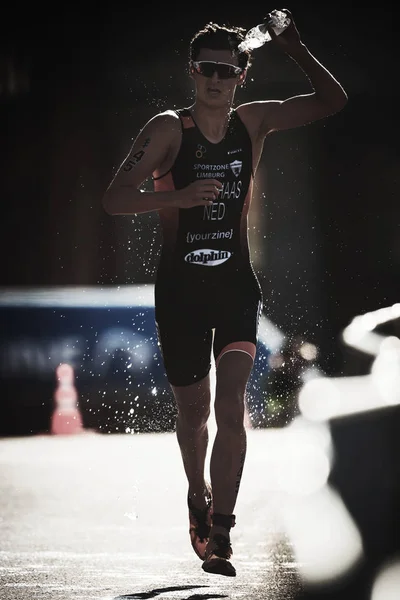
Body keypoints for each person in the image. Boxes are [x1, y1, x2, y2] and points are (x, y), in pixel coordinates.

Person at [102, 8, 347, 577]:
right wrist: (177, 197)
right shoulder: (169, 129)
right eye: (205, 68)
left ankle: (222, 536)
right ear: (192, 72)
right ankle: (197, 492)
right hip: (181, 292)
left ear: (242, 75)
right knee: (194, 419)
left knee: (231, 405)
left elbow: (332, 101)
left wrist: (296, 49)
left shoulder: (254, 123)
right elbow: (114, 199)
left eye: (226, 70)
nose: (215, 78)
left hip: (235, 286)